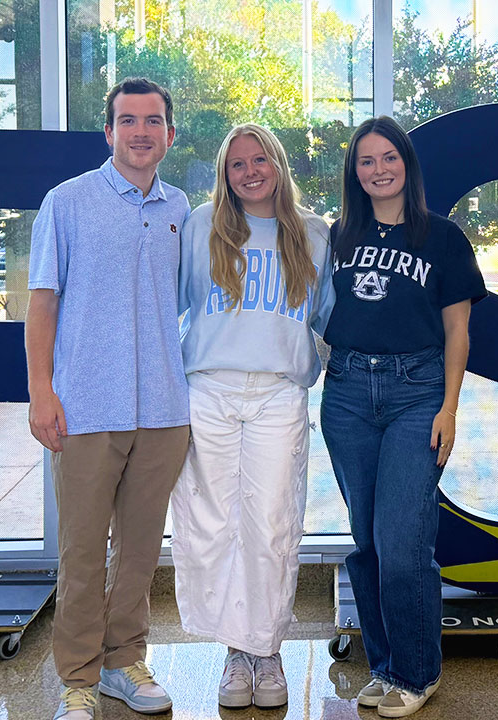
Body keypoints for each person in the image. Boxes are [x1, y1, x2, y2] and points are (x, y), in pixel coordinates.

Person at [26, 77, 191, 720]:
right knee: (82, 551)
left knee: (141, 551)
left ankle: (125, 662)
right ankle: (78, 679)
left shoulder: (181, 209)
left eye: (153, 121)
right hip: (87, 408)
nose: (141, 131)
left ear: (169, 134)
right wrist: (42, 392)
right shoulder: (67, 203)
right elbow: (43, 301)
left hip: (163, 411)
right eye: (128, 121)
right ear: (110, 132)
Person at [320, 116, 486, 718]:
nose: (379, 169)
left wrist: (449, 407)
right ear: (354, 172)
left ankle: (417, 673)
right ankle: (385, 666)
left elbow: (458, 331)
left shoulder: (443, 238)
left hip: (417, 393)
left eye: (389, 157)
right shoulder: (339, 235)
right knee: (366, 540)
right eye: (366, 161)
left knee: (403, 541)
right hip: (345, 395)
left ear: (407, 165)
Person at [169, 123, 333, 709]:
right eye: (237, 164)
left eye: (259, 159)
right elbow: (171, 305)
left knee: (271, 524)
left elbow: (328, 319)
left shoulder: (312, 235)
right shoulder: (200, 225)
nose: (250, 171)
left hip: (277, 395)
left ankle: (268, 650)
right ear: (225, 173)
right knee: (212, 522)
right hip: (209, 390)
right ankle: (234, 653)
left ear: (278, 165)